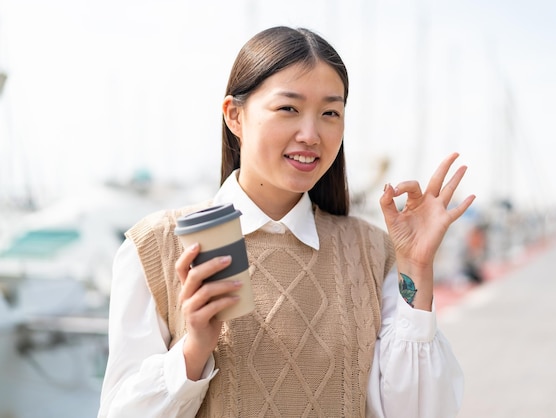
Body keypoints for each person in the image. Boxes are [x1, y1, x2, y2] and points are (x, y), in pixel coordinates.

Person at [98, 26, 475, 418]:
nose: (310, 135)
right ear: (235, 115)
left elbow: (416, 411)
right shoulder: (159, 245)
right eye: (288, 109)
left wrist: (415, 267)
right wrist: (194, 350)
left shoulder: (371, 250)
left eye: (330, 113)